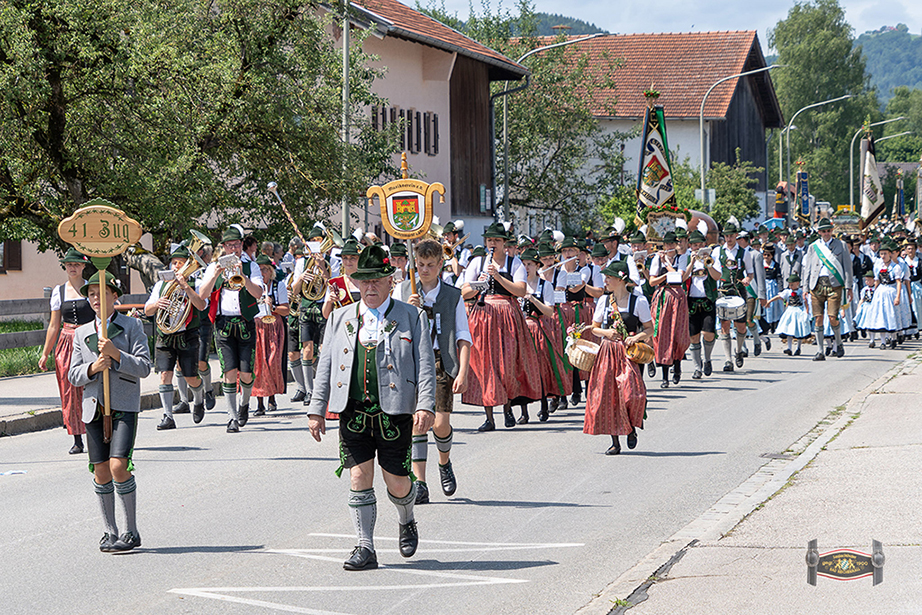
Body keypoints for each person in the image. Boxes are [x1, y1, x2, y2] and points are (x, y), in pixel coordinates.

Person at [307, 245, 436, 571]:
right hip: (353, 412)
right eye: (364, 281)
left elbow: (425, 366)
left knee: (397, 481)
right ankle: (365, 547)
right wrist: (316, 408)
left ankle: (406, 517)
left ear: (390, 281)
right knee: (358, 476)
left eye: (377, 280)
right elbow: (326, 364)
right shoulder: (339, 317)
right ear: (356, 283)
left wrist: (426, 405)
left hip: (395, 412)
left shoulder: (411, 316)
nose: (371, 287)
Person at [68, 271, 151, 552]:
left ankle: (131, 530)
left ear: (115, 296)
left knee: (118, 466)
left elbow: (143, 367)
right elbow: (73, 374)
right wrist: (93, 368)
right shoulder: (81, 333)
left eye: (100, 293)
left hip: (124, 405)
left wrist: (116, 354)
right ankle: (109, 531)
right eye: (90, 294)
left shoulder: (131, 327)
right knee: (101, 471)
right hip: (93, 408)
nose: (94, 299)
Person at [395, 239, 471, 504]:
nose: (424, 270)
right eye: (421, 265)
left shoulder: (452, 295)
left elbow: (463, 336)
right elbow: (391, 330)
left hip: (441, 360)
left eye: (430, 265)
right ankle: (420, 483)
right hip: (412, 362)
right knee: (417, 423)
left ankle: (444, 461)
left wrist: (462, 371)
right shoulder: (403, 290)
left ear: (441, 264)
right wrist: (406, 309)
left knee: (440, 423)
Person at [461, 222, 542, 431]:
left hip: (507, 317)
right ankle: (489, 416)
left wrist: (497, 277)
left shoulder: (514, 263)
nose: (492, 243)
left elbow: (521, 291)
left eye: (497, 240)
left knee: (507, 365)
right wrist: (481, 283)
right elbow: (463, 292)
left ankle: (507, 408)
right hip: (482, 316)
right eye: (489, 240)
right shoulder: (478, 263)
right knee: (483, 365)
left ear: (505, 243)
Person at [199, 224, 264, 432]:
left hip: (245, 322)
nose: (233, 249)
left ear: (241, 245)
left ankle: (244, 405)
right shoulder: (215, 266)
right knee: (228, 370)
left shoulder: (250, 266)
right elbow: (202, 295)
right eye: (229, 245)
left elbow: (258, 293)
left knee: (246, 373)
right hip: (223, 324)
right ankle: (232, 417)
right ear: (224, 247)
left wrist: (243, 278)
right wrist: (215, 272)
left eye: (236, 245)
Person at [584, 261, 653, 455]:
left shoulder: (638, 301)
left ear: (620, 280)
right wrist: (605, 332)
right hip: (608, 352)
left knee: (631, 394)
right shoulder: (604, 301)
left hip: (630, 354)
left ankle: (631, 426)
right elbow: (595, 327)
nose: (605, 281)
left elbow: (649, 328)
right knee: (609, 396)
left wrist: (636, 337)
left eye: (609, 278)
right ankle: (615, 441)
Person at [143, 244, 208, 429]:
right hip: (166, 335)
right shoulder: (160, 285)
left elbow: (201, 306)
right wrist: (157, 304)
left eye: (179, 263)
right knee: (165, 374)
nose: (175, 267)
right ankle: (167, 415)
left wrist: (186, 287)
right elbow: (147, 310)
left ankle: (198, 398)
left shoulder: (196, 284)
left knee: (190, 377)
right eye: (173, 263)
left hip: (187, 334)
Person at [40, 248, 94, 454]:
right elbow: (54, 325)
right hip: (67, 341)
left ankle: (96, 432)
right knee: (69, 389)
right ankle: (77, 438)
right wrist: (45, 353)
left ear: (83, 266)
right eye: (69, 264)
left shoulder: (91, 289)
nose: (73, 268)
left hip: (89, 339)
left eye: (77, 264)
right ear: (65, 267)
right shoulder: (59, 291)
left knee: (92, 385)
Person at [519, 246, 569, 421]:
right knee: (522, 369)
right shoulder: (517, 285)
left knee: (540, 368)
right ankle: (523, 413)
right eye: (523, 264)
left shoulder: (544, 285)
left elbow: (549, 311)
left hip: (539, 328)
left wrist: (532, 299)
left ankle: (544, 406)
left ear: (536, 266)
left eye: (529, 264)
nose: (526, 268)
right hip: (521, 329)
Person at [801, 218, 853, 360]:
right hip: (816, 284)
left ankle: (839, 343)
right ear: (819, 232)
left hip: (834, 284)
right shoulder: (813, 247)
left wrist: (849, 287)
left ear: (832, 231)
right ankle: (820, 351)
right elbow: (808, 268)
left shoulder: (841, 245)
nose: (826, 233)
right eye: (823, 231)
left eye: (828, 230)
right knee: (817, 318)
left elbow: (848, 267)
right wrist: (805, 287)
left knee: (832, 317)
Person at [647, 231, 690, 388]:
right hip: (663, 297)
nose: (670, 247)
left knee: (678, 333)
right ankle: (664, 376)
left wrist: (666, 264)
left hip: (678, 297)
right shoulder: (656, 260)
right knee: (662, 334)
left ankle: (677, 366)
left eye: (672, 244)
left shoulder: (682, 258)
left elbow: (680, 277)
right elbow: (652, 281)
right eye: (667, 244)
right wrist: (664, 275)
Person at [253, 254, 289, 415]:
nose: (262, 273)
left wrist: (272, 306)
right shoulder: (252, 286)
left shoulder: (278, 286)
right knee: (258, 364)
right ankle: (259, 402)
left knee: (272, 361)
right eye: (259, 270)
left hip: (274, 326)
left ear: (271, 271)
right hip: (257, 325)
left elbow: (286, 310)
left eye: (265, 270)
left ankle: (272, 397)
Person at [685, 230, 721, 379]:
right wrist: (692, 262)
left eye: (699, 244)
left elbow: (717, 276)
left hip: (707, 300)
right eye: (694, 244)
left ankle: (707, 359)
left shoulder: (712, 257)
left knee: (708, 334)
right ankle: (697, 367)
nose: (697, 246)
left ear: (704, 244)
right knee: (693, 336)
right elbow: (682, 278)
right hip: (692, 300)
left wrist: (708, 264)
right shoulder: (686, 258)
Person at [863, 238, 902, 349]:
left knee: (891, 314)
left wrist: (897, 296)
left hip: (890, 291)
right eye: (881, 254)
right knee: (880, 315)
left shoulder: (896, 267)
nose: (883, 256)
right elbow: (877, 281)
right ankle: (883, 341)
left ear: (890, 254)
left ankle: (893, 337)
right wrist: (874, 294)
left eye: (885, 254)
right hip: (880, 292)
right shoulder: (878, 266)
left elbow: (898, 282)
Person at [766, 274, 812, 355]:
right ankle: (789, 348)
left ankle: (798, 348)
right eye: (789, 284)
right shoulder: (787, 292)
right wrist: (769, 301)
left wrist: (807, 313)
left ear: (797, 283)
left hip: (799, 311)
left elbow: (806, 302)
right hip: (790, 311)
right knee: (788, 329)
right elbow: (779, 296)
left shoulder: (801, 292)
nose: (790, 286)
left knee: (799, 330)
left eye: (792, 284)